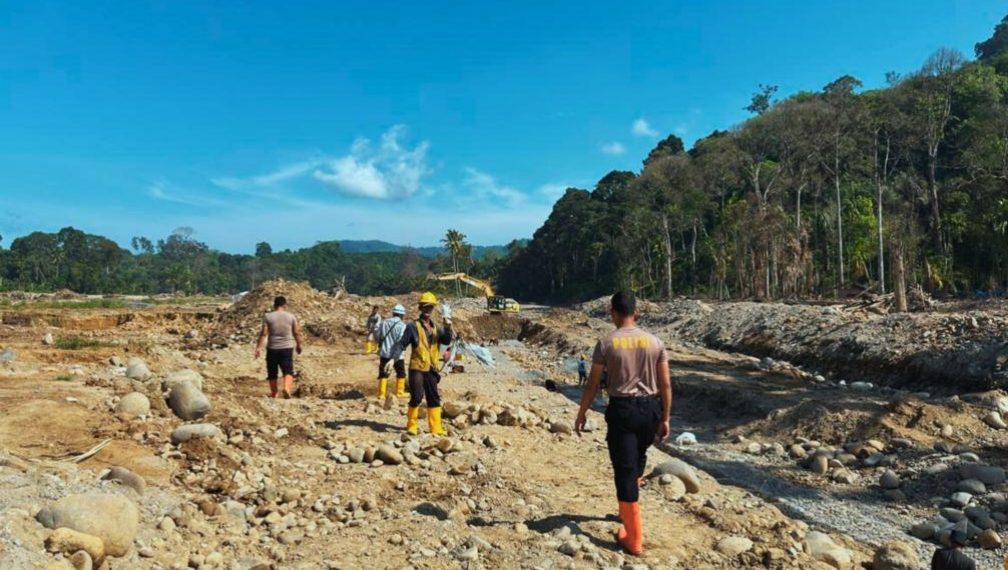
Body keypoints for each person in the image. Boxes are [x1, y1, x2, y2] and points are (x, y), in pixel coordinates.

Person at [574, 291, 672, 556]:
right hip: (651, 409)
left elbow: (593, 384)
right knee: (638, 456)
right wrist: (665, 417)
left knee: (624, 470)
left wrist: (582, 413)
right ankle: (625, 512)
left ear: (613, 313)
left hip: (623, 411)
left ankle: (634, 538)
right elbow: (665, 384)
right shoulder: (655, 342)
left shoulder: (606, 343)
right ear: (636, 312)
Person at [399, 291, 454, 436]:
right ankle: (411, 425)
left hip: (432, 367)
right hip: (417, 367)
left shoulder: (436, 328)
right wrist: (393, 359)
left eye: (430, 307)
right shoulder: (412, 327)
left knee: (433, 396)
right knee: (417, 396)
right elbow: (402, 344)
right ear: (420, 308)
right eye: (425, 306)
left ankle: (436, 427)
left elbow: (446, 341)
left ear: (433, 308)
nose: (427, 309)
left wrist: (448, 328)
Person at [254, 296, 303, 398]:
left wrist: (258, 348)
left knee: (272, 371)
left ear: (274, 305)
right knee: (288, 370)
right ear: (285, 305)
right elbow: (296, 332)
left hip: (272, 348)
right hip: (287, 348)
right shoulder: (291, 317)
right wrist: (299, 344)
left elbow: (264, 333)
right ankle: (286, 388)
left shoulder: (268, 316)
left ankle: (274, 393)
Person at [375, 303, 408, 398]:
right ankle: (400, 392)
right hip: (397, 355)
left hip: (385, 353)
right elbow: (401, 342)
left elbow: (377, 336)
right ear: (402, 315)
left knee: (383, 372)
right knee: (401, 373)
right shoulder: (402, 326)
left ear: (393, 313)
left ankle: (381, 394)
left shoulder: (384, 323)